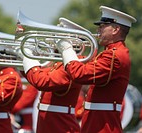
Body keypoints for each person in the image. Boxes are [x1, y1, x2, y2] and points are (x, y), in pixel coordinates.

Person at [56, 5, 137, 133]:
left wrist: (67, 50)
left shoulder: (113, 55)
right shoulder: (110, 52)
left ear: (115, 29)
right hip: (97, 122)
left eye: (103, 26)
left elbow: (79, 75)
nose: (98, 29)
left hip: (102, 126)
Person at [20, 48, 82, 133]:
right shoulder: (59, 64)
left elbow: (41, 81)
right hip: (49, 123)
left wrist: (27, 57)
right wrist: (22, 61)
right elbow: (37, 75)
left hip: (60, 125)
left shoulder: (74, 64)